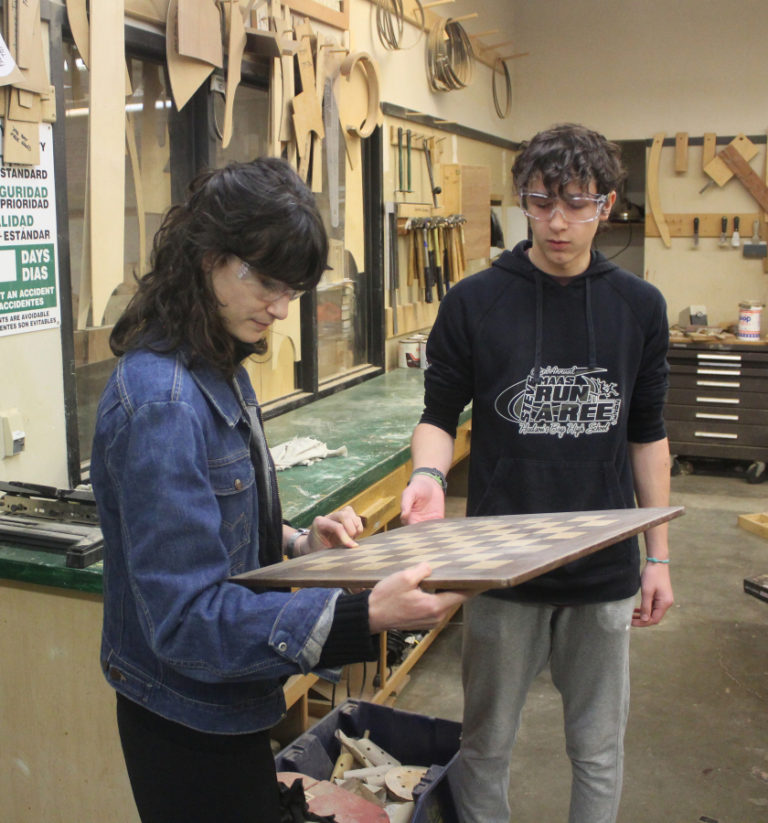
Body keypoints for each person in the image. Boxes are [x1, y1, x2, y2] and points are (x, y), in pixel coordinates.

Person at [90, 157, 467, 823]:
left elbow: (219, 533)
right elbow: (184, 620)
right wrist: (364, 614)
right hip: (185, 719)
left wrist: (301, 545)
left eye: (292, 288)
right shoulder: (164, 401)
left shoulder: (216, 361)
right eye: (265, 281)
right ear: (206, 257)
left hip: (226, 701)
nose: (280, 306)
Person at [400, 124, 673, 823]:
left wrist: (659, 556)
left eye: (577, 203)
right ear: (524, 198)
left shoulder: (639, 308)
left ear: (606, 205)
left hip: (604, 564)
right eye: (542, 201)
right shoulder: (475, 300)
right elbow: (438, 413)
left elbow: (647, 435)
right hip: (499, 568)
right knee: (486, 745)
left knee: (598, 747)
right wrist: (429, 476)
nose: (557, 221)